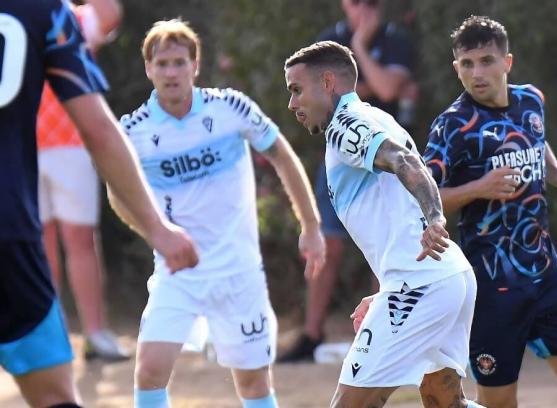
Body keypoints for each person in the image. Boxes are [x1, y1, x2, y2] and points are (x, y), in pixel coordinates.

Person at [117, 19, 325, 408]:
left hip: (237, 272)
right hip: (177, 272)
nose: (171, 72)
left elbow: (282, 156)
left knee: (252, 384)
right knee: (148, 369)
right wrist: (157, 233)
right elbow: (118, 194)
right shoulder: (134, 130)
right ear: (148, 69)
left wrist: (310, 226)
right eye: (161, 64)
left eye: (179, 62)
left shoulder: (231, 108)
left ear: (195, 65)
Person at [0, 1, 198, 407]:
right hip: (8, 220)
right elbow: (100, 128)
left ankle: (92, 331)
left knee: (71, 239)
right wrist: (156, 227)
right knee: (55, 396)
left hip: (52, 157)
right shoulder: (42, 11)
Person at [423, 15, 557, 408]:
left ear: (507, 62)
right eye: (467, 64)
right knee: (499, 403)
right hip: (491, 289)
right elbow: (423, 194)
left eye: (487, 61)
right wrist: (478, 188)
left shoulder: (531, 100)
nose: (477, 73)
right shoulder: (452, 127)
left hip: (546, 277)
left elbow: (537, 141)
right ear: (456, 68)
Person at [285, 40, 480, 408]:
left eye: (297, 90)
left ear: (327, 82)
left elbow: (405, 162)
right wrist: (386, 289)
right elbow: (399, 199)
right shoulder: (375, 116)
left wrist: (435, 217)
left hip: (419, 283)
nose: (293, 103)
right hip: (445, 278)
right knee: (445, 403)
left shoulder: (346, 126)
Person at [279, 0, 418, 363]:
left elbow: (385, 90)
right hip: (345, 158)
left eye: (370, 2)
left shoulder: (393, 41)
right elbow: (376, 89)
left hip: (379, 159)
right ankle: (312, 333)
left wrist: (358, 49)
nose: (363, 7)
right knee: (329, 242)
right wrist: (371, 83)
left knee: (384, 239)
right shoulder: (327, 43)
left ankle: (390, 328)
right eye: (356, 2)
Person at [37, 0, 129, 362]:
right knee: (36, 244)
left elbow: (109, 14)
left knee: (80, 239)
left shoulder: (69, 17)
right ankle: (48, 335)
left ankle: (95, 334)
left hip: (71, 143)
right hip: (16, 146)